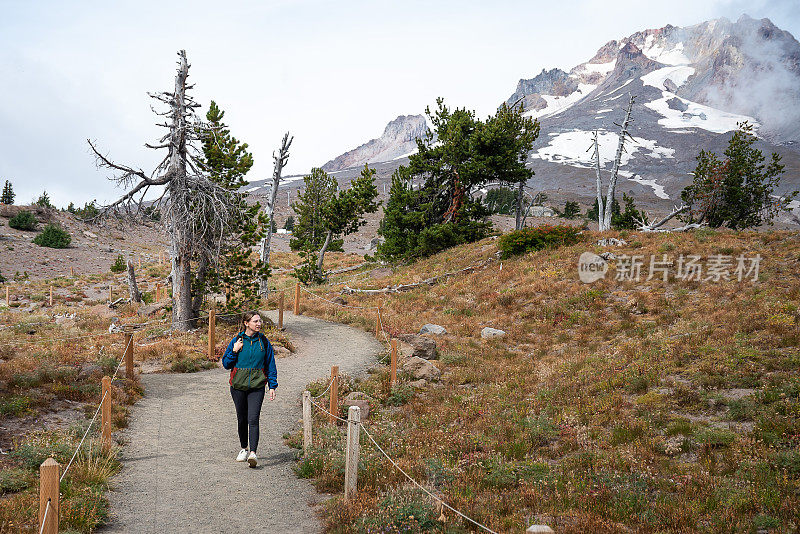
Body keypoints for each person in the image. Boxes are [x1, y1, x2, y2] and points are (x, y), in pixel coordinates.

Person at [221, 311, 278, 467]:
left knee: (253, 419)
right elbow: (226, 364)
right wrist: (234, 350)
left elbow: (270, 364)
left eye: (259, 321)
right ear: (246, 323)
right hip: (237, 387)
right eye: (255, 321)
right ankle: (243, 449)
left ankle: (253, 453)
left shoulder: (264, 342)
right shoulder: (237, 340)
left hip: (257, 386)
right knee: (242, 419)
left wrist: (272, 385)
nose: (259, 324)